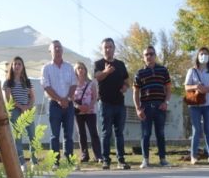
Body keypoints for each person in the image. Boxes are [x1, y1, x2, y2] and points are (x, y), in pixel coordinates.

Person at [133, 45, 172, 168]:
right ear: (143, 57)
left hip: (160, 106)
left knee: (160, 133)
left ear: (155, 55)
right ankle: (145, 160)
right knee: (146, 134)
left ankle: (163, 159)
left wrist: (166, 102)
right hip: (146, 107)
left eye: (151, 54)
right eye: (146, 54)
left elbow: (169, 88)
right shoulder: (139, 73)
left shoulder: (163, 70)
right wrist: (138, 108)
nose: (149, 56)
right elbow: (135, 92)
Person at [94, 37, 130, 170]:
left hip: (119, 104)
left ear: (114, 48)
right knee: (106, 133)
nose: (108, 49)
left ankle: (121, 160)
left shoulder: (120, 64)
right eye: (106, 47)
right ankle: (106, 160)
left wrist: (125, 87)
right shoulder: (98, 63)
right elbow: (97, 76)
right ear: (102, 49)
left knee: (119, 133)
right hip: (105, 103)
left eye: (110, 47)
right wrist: (106, 72)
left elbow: (127, 80)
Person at [42, 40, 77, 169]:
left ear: (62, 50)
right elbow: (46, 86)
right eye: (55, 48)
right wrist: (59, 100)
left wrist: (67, 99)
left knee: (69, 134)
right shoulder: (46, 68)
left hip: (68, 104)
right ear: (50, 51)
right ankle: (55, 162)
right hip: (54, 105)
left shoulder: (69, 67)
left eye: (59, 48)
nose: (57, 50)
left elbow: (74, 83)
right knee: (54, 135)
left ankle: (69, 161)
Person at [185, 47, 209, 164]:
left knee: (208, 130)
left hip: (208, 104)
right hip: (195, 104)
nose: (203, 56)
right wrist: (196, 87)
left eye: (206, 54)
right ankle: (193, 156)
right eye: (201, 54)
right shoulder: (192, 71)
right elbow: (186, 87)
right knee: (196, 130)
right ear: (197, 56)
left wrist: (206, 89)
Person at [2, 56, 36, 171]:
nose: (17, 66)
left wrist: (28, 107)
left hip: (27, 109)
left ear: (22, 67)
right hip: (15, 110)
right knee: (18, 137)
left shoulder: (27, 81)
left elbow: (32, 97)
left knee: (33, 136)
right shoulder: (8, 82)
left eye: (19, 64)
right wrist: (21, 107)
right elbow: (8, 99)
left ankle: (34, 161)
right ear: (12, 66)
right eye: (15, 64)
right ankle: (22, 163)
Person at [73, 61, 101, 163]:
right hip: (78, 112)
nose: (80, 70)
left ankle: (98, 155)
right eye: (78, 68)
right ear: (75, 71)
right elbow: (70, 98)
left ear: (85, 70)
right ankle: (84, 155)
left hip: (90, 111)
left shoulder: (91, 83)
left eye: (82, 68)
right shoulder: (73, 84)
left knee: (93, 133)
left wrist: (89, 107)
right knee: (81, 134)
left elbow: (95, 97)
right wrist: (78, 106)